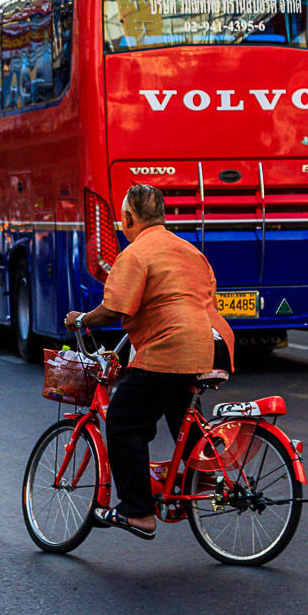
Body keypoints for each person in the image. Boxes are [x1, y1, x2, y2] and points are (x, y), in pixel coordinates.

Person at [64, 184, 234, 540]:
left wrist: (81, 319)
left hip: (171, 347)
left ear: (127, 218)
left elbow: (114, 308)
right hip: (212, 343)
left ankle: (137, 510)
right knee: (178, 408)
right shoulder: (190, 251)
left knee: (125, 418)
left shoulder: (137, 253)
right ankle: (204, 473)